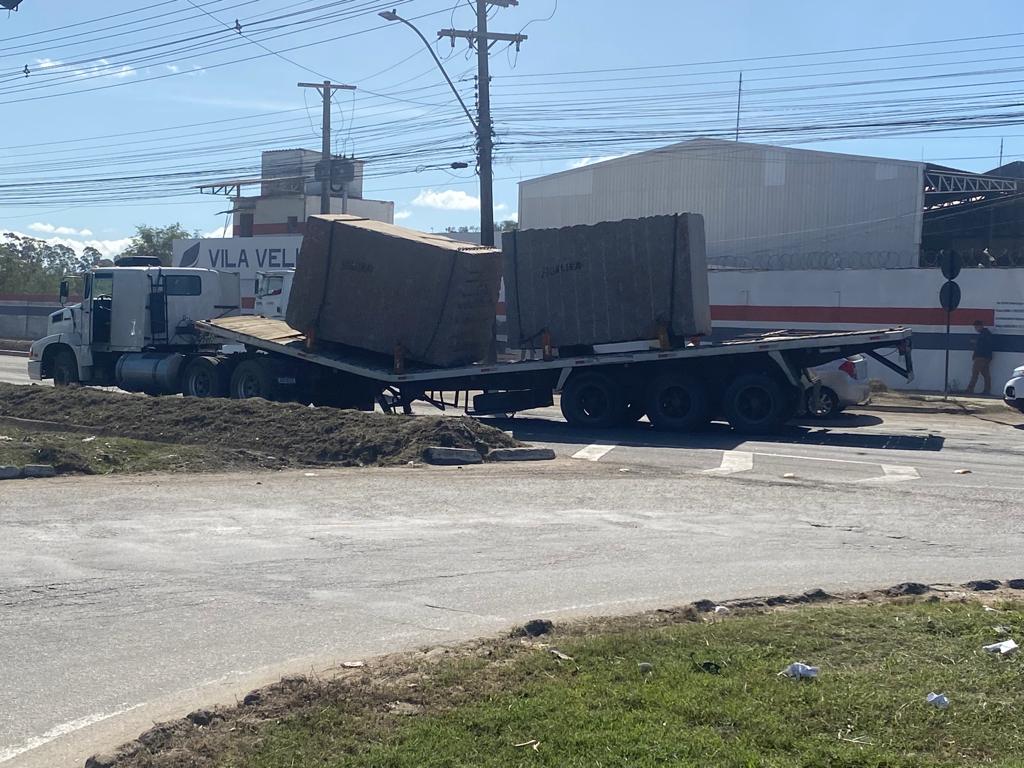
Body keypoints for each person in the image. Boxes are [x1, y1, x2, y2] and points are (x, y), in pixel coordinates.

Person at [966, 320, 995, 395]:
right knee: (986, 374)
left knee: (975, 373)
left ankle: (970, 389)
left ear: (980, 326)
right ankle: (987, 390)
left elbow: (981, 346)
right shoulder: (987, 334)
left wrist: (975, 343)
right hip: (986, 357)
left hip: (981, 357)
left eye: (976, 327)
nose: (975, 328)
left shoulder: (983, 335)